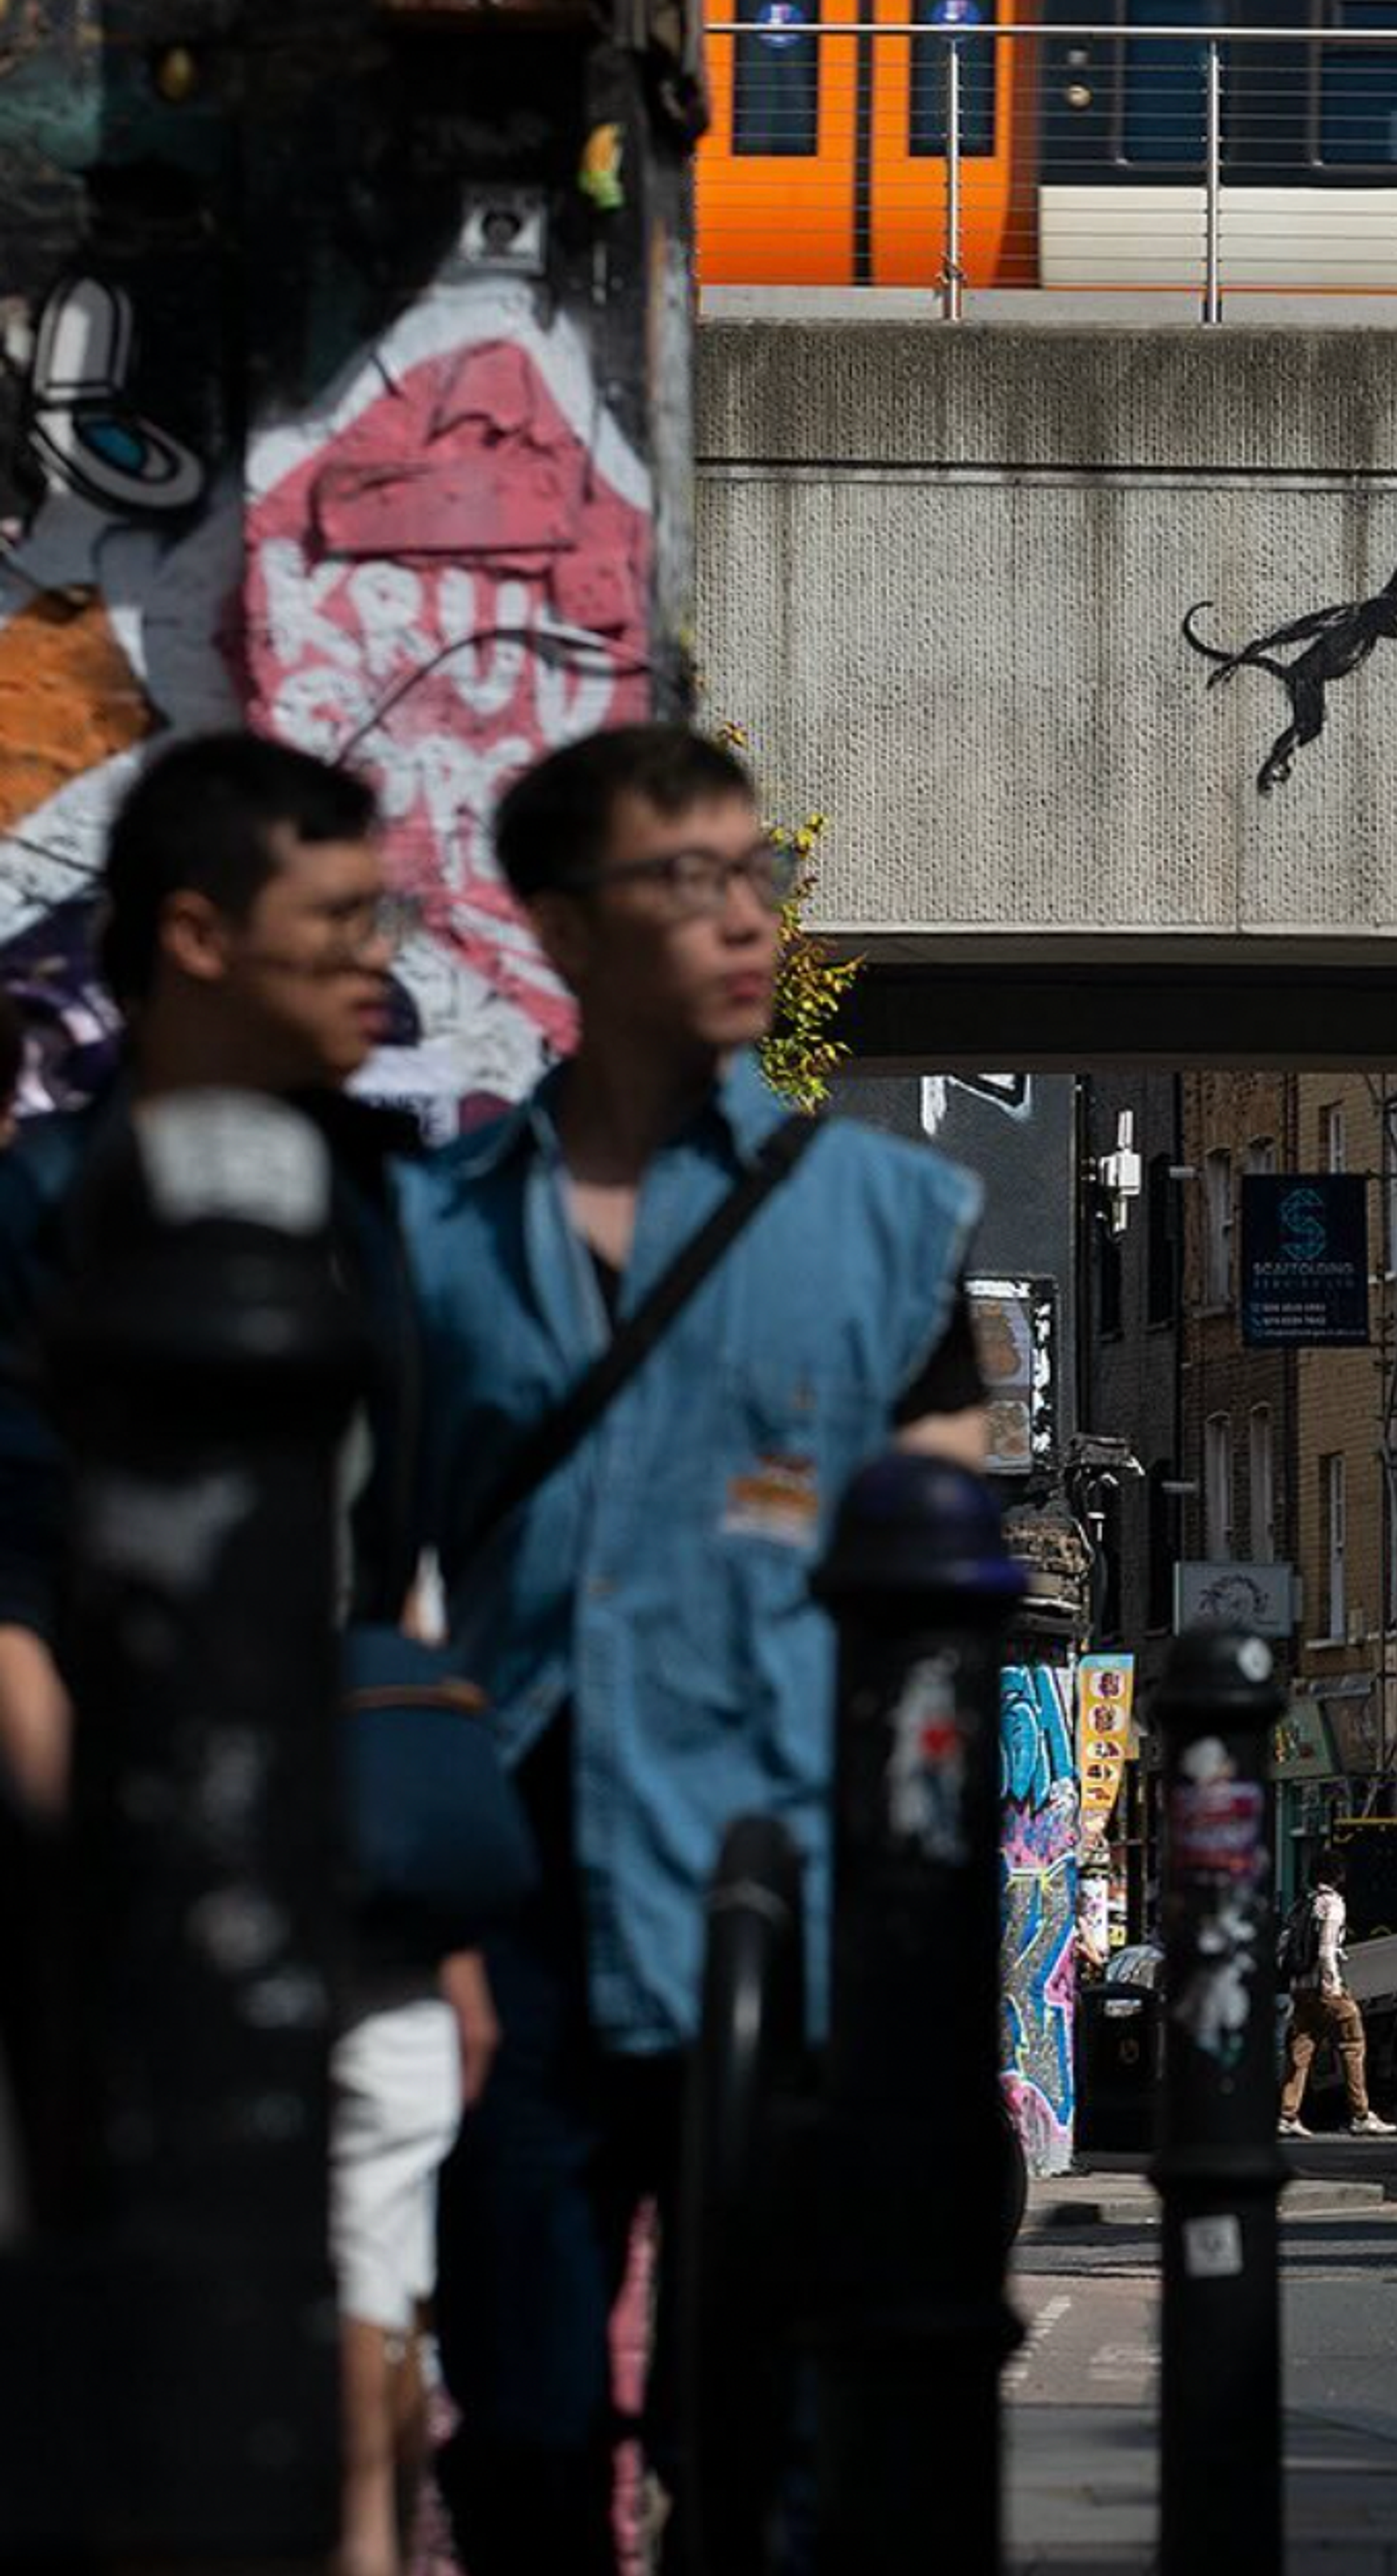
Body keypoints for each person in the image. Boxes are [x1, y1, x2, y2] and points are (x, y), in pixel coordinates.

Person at [401, 723, 985, 2573]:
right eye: (690, 882)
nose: (747, 920)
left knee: (781, 2434)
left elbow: (938, 1624)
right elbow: (366, 1581)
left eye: (761, 878)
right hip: (514, 1909)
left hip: (790, 1891)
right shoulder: (428, 1234)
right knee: (524, 2423)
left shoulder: (889, 1225)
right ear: (564, 929)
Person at [0, 732, 495, 2576]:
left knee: (368, 2377)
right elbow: (9, 1578)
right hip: (105, 1911)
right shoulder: (47, 1210)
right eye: (340, 920)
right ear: (197, 934)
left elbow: (397, 1556)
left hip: (348, 1875)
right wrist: (123, 1865)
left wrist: (428, 1905)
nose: (387, 960)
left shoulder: (379, 1207)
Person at [1277, 1843, 1395, 2138]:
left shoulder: (1301, 1904)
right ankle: (1361, 2114)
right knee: (1353, 2044)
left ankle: (1287, 2114)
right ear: (1339, 1875)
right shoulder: (1333, 1904)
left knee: (1301, 2050)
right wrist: (1334, 1987)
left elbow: (1283, 1945)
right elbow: (1327, 1949)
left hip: (1300, 1988)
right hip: (1325, 1988)